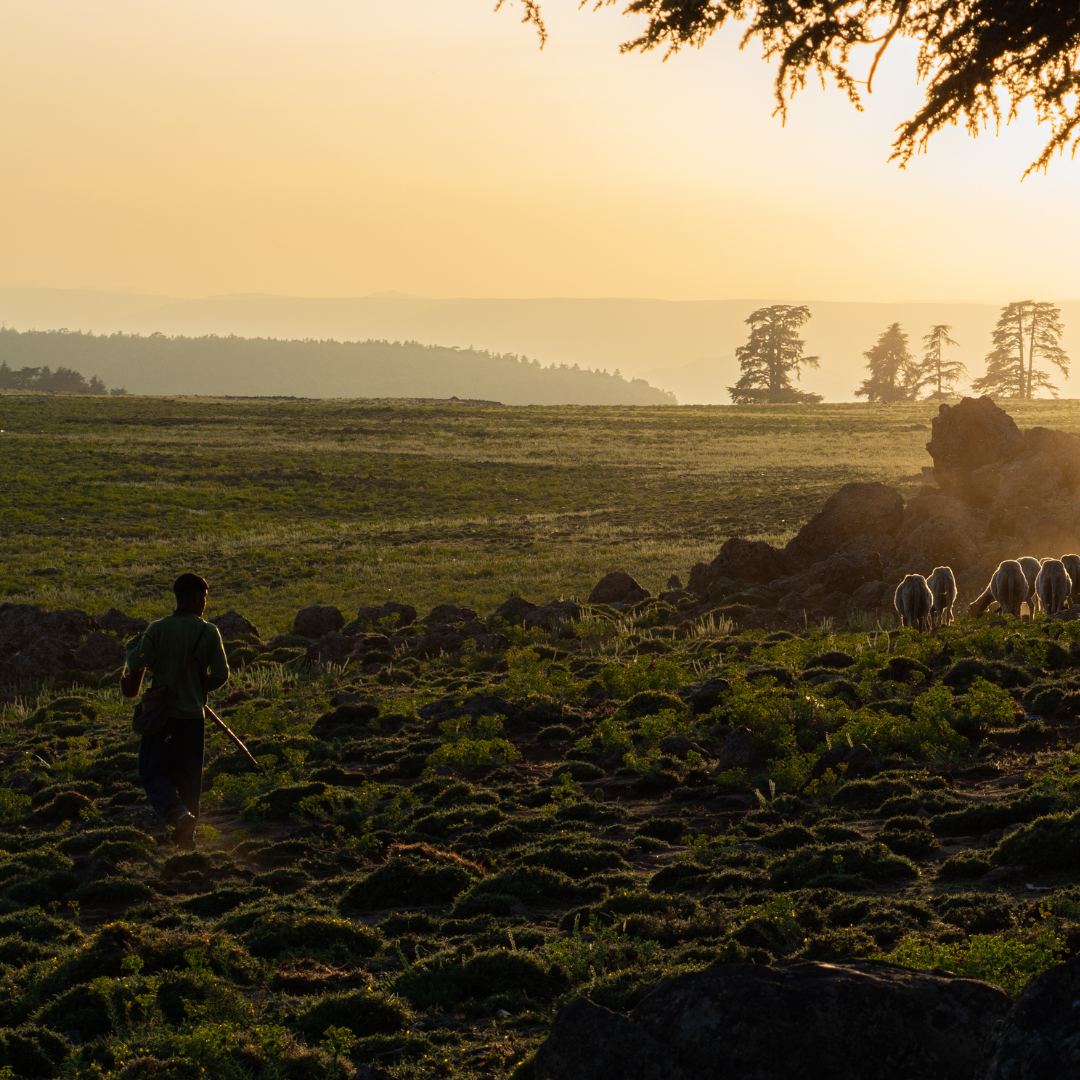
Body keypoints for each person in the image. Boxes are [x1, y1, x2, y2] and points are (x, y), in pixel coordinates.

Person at [124, 573, 229, 849]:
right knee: (190, 779)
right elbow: (221, 673)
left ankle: (176, 813)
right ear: (195, 597)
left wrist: (131, 645)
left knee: (151, 771)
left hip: (164, 718)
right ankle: (187, 839)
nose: (205, 604)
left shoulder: (157, 629)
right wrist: (199, 687)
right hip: (194, 718)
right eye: (204, 598)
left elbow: (136, 660)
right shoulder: (209, 632)